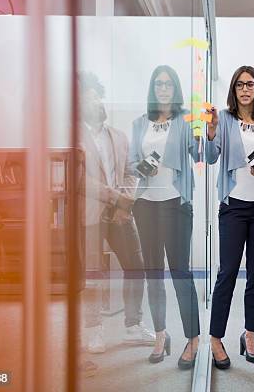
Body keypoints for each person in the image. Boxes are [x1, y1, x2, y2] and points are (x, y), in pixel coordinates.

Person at [205, 65, 254, 369]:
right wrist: (210, 133)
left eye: (250, 84)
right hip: (234, 205)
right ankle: (215, 338)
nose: (246, 89)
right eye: (240, 85)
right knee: (227, 274)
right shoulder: (224, 119)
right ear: (234, 90)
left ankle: (249, 334)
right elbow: (211, 157)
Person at [78, 71, 155, 360]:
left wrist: (125, 202)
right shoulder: (71, 137)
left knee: (136, 265)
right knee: (93, 273)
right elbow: (79, 180)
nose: (93, 99)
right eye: (86, 95)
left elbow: (129, 172)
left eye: (95, 94)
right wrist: (116, 197)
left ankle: (133, 324)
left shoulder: (119, 137)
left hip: (121, 214)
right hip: (89, 214)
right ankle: (94, 328)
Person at [129, 65, 200, 369]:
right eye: (158, 84)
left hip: (175, 203)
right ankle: (161, 334)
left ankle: (193, 338)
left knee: (180, 273)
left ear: (175, 89)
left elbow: (198, 156)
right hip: (146, 204)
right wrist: (144, 166)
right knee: (153, 274)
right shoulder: (138, 123)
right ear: (152, 88)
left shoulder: (185, 121)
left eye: (168, 84)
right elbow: (131, 164)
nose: (163, 89)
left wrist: (203, 133)